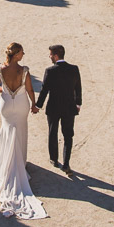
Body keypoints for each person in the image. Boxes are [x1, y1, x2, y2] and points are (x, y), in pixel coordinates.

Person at [0, 42, 47, 219]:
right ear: (15, 55)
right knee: (20, 132)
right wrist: (35, 106)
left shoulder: (0, 69)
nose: (24, 54)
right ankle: (19, 163)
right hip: (21, 104)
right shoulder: (24, 71)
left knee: (7, 132)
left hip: (6, 105)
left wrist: (6, 91)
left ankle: (4, 165)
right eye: (22, 52)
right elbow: (29, 90)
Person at [33, 43, 82, 179]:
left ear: (55, 56)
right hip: (69, 108)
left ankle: (54, 159)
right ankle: (66, 163)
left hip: (53, 107)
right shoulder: (74, 69)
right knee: (68, 135)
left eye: (50, 55)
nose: (49, 57)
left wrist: (38, 106)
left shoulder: (50, 71)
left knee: (52, 132)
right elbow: (78, 87)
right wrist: (78, 103)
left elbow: (44, 90)